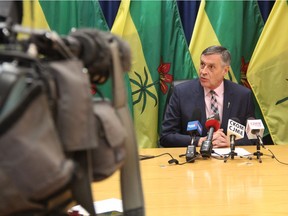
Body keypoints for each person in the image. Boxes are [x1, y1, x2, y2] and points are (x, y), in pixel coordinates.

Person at [160, 45, 255, 148]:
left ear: (225, 70)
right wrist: (198, 141)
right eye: (202, 64)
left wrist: (231, 142)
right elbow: (166, 136)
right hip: (194, 160)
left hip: (230, 161)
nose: (203, 71)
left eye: (211, 67)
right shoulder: (181, 93)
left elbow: (254, 136)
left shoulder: (242, 95)